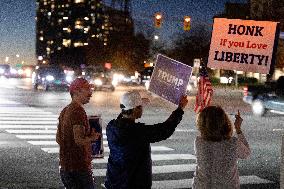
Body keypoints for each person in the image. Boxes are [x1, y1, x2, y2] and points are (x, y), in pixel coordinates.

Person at [104, 91, 188, 189]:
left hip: (114, 181)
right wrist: (180, 108)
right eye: (141, 107)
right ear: (136, 109)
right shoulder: (136, 131)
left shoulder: (111, 126)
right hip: (132, 184)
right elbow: (164, 130)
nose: (142, 110)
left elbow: (124, 114)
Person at [56, 78, 101, 189]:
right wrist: (93, 137)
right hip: (79, 168)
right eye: (87, 89)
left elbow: (58, 138)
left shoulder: (65, 110)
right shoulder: (78, 111)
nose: (90, 93)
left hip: (66, 167)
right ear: (76, 91)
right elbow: (79, 140)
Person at [192, 106, 251, 189]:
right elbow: (246, 154)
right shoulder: (233, 143)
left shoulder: (199, 142)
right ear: (224, 122)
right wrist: (238, 129)